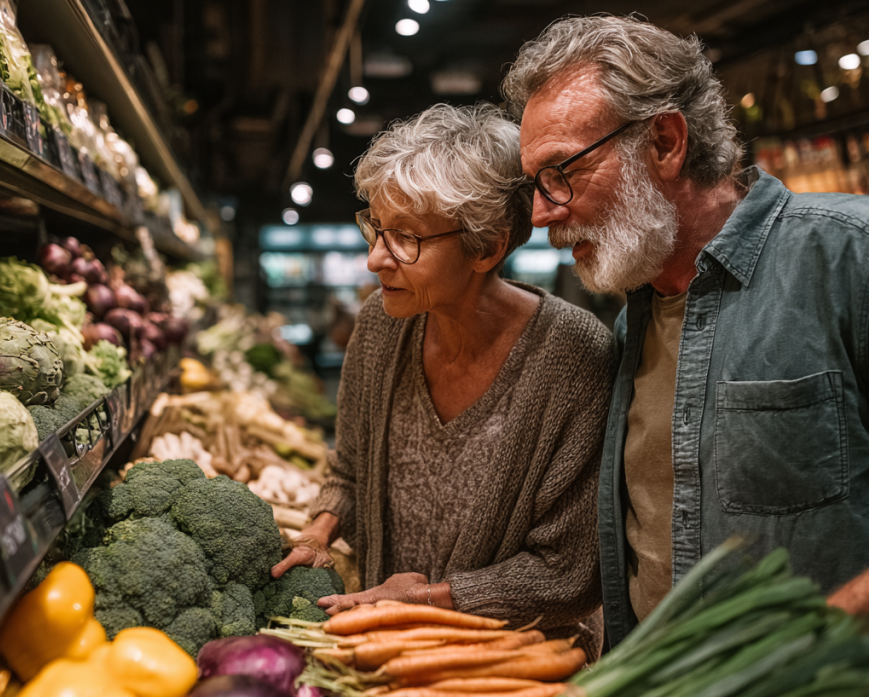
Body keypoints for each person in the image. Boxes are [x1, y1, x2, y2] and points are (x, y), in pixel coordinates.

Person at [505, 15, 869, 648]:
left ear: (666, 143)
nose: (542, 213)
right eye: (535, 184)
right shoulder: (634, 320)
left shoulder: (845, 255)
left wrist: (824, 638)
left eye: (561, 172)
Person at [272, 103, 616, 652]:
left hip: (516, 676)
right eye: (375, 228)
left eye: (405, 238)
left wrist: (434, 600)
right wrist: (320, 530)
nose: (374, 259)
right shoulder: (381, 327)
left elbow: (569, 573)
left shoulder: (576, 357)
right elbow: (352, 467)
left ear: (488, 246)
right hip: (389, 653)